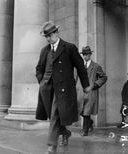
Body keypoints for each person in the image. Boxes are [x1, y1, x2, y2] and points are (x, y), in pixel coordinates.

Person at [35, 21, 90, 154]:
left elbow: (80, 67)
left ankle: (51, 147)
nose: (48, 38)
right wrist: (42, 81)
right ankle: (65, 132)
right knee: (53, 116)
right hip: (47, 89)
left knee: (54, 116)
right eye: (46, 36)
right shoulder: (44, 51)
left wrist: (86, 85)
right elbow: (39, 68)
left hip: (63, 90)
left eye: (50, 35)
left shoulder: (69, 47)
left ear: (57, 33)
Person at [76, 46, 107, 136]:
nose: (85, 56)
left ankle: (85, 130)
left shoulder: (96, 66)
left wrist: (95, 85)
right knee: (80, 110)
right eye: (83, 55)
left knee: (86, 112)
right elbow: (76, 78)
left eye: (86, 54)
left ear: (90, 54)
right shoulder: (80, 65)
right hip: (80, 92)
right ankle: (90, 122)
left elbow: (104, 77)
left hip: (90, 92)